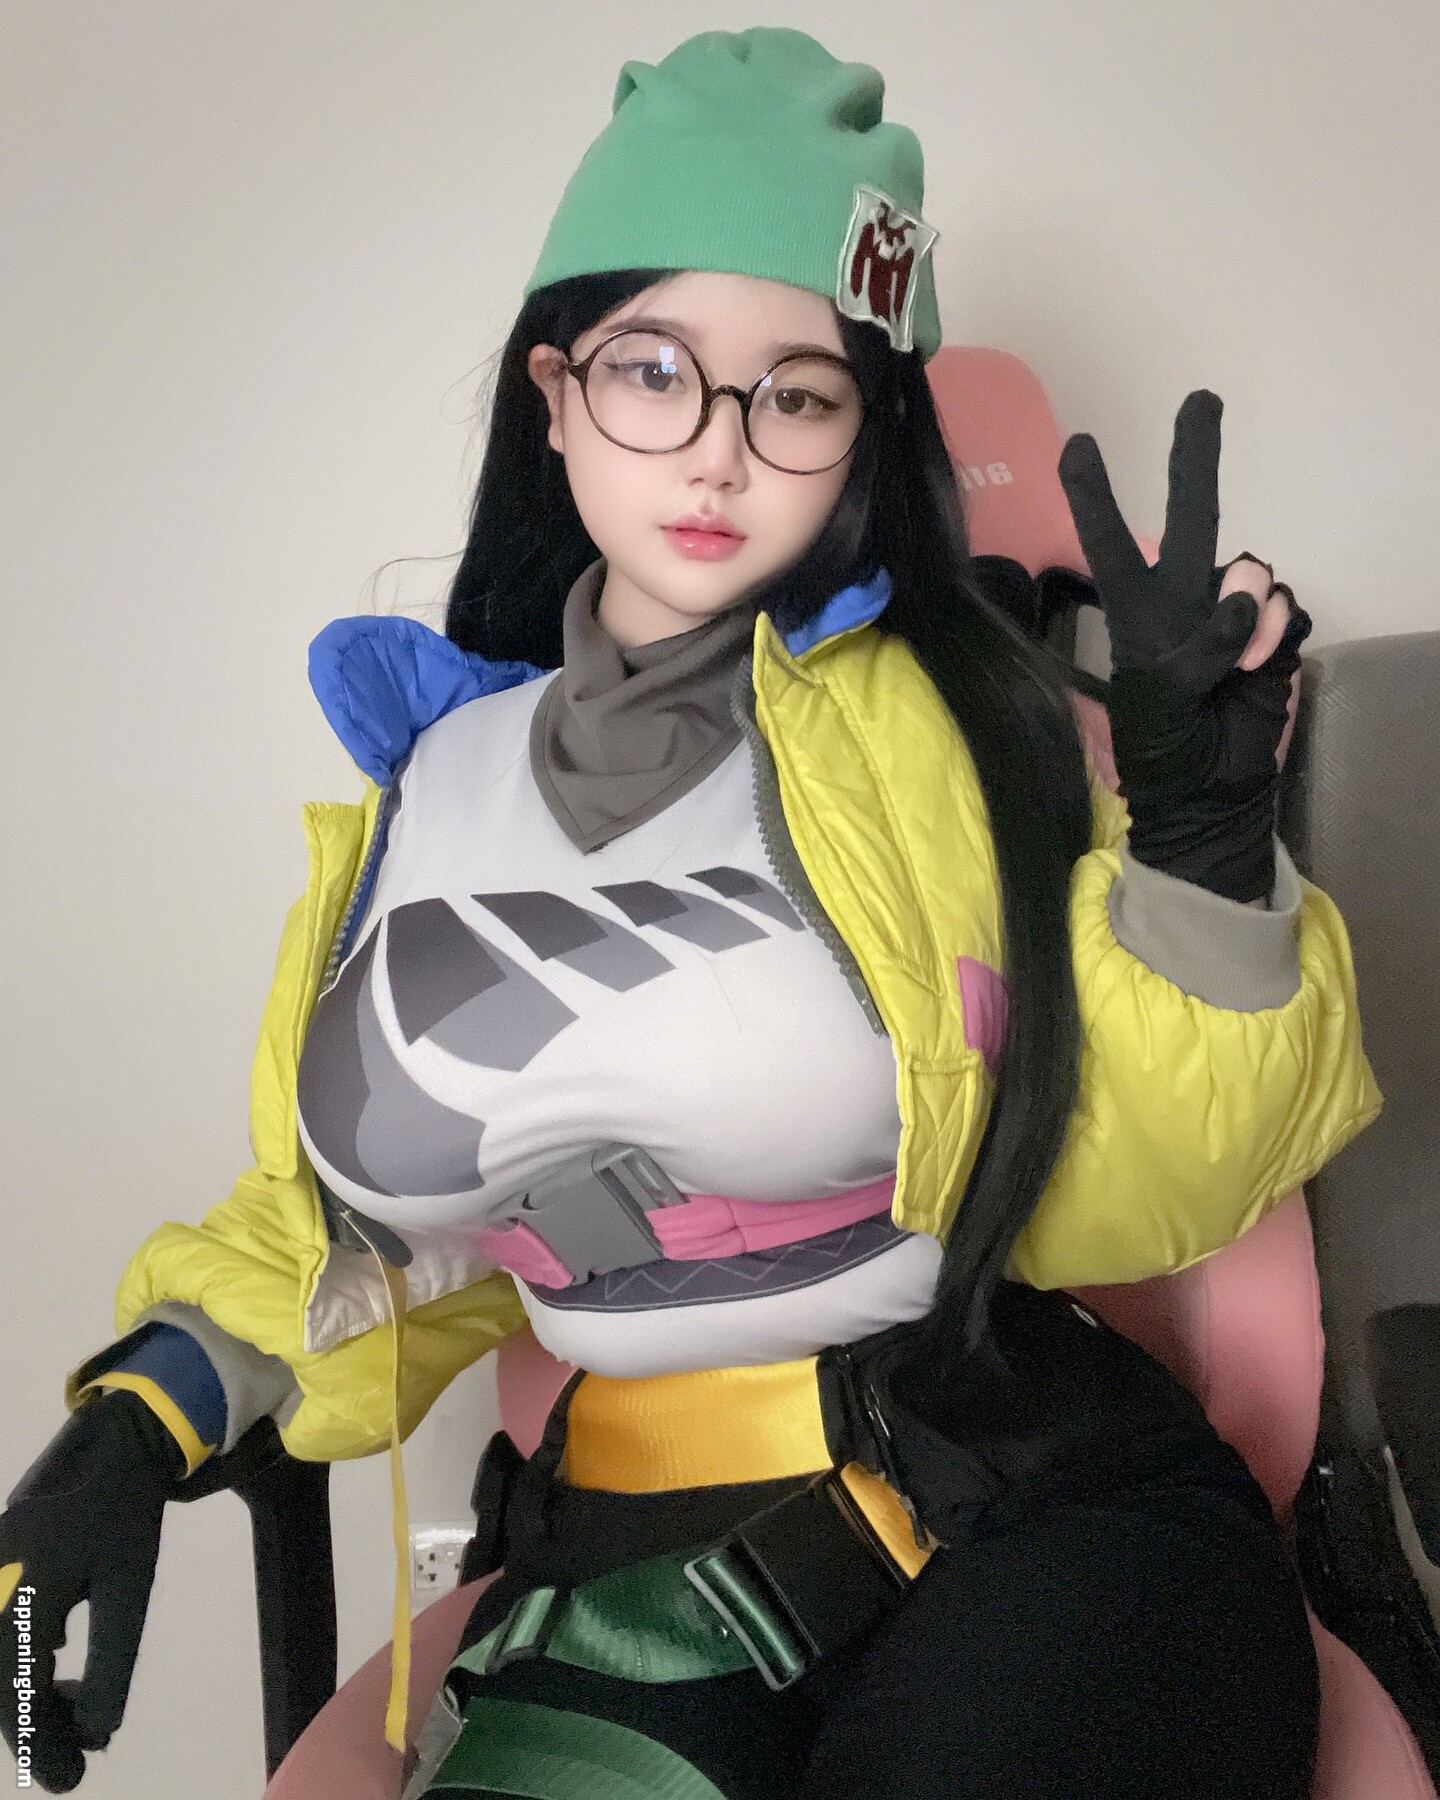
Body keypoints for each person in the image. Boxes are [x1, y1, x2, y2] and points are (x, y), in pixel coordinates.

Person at [1, 26, 1381, 1799]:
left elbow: (1137, 1179)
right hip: (632, 1564)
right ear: (554, 389)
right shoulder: (428, 789)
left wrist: (1202, 852)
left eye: (795, 394)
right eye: (653, 372)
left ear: (865, 430)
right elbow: (360, 1237)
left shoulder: (961, 746)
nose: (718, 457)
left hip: (1037, 1509)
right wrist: (143, 1414)